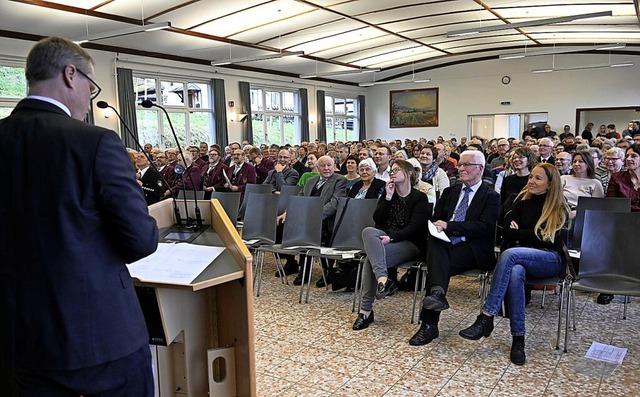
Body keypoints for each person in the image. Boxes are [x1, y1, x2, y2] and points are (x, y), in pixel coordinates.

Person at [0, 36, 158, 395]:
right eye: (91, 84)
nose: (90, 98)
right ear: (71, 74)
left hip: (14, 340)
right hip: (97, 337)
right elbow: (140, 241)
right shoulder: (95, 142)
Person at [459, 163, 569, 365]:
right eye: (531, 177)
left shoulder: (559, 207)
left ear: (550, 183)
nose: (531, 181)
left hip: (549, 259)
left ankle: (487, 316)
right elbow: (506, 232)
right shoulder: (521, 202)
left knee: (510, 255)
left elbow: (551, 240)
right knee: (516, 271)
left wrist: (523, 235)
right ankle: (518, 339)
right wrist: (535, 234)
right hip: (521, 258)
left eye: (537, 178)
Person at [409, 150, 500, 346]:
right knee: (437, 248)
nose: (461, 168)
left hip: (472, 248)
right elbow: (436, 219)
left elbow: (484, 227)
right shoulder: (450, 192)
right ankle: (437, 296)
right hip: (445, 244)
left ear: (480, 169)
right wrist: (439, 227)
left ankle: (429, 325)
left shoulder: (491, 196)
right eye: (460, 165)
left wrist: (450, 226)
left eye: (467, 165)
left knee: (437, 264)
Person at [352, 160, 431, 330]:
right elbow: (378, 220)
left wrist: (393, 238)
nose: (392, 173)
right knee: (368, 231)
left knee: (370, 259)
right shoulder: (389, 193)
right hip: (385, 238)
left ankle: (365, 311)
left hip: (410, 243)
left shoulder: (420, 198)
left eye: (396, 170)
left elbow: (416, 228)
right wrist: (387, 197)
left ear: (409, 173)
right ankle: (383, 279)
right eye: (391, 171)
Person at [598, 144, 640, 304]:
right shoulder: (617, 178)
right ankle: (608, 286)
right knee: (612, 238)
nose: (629, 159)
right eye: (627, 156)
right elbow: (611, 204)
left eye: (634, 156)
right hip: (621, 222)